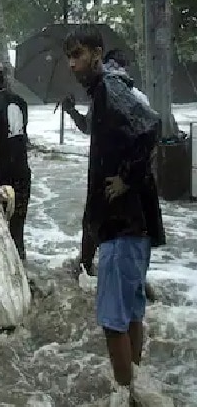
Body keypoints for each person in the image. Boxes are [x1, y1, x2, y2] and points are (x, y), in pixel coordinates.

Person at [64, 24, 165, 403]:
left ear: (97, 52)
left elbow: (150, 128)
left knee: (111, 321)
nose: (73, 64)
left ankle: (126, 395)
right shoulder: (109, 91)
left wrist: (126, 178)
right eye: (69, 57)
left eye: (78, 55)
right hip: (133, 224)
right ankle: (136, 387)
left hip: (123, 225)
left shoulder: (109, 88)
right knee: (131, 313)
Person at [62, 50, 158, 302]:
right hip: (113, 181)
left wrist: (126, 178)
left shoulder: (125, 95)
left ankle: (89, 270)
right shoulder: (107, 95)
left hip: (124, 185)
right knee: (109, 235)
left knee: (119, 241)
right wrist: (72, 111)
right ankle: (86, 269)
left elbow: (150, 134)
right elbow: (88, 127)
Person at [0, 59, 31, 262]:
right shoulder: (21, 103)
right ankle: (22, 278)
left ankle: (2, 283)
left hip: (1, 177)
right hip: (22, 174)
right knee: (17, 232)